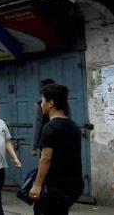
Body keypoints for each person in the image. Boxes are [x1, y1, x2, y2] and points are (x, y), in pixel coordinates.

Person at [29, 83, 83, 215]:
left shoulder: (50, 128)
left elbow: (46, 158)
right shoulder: (73, 126)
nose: (41, 105)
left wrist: (37, 185)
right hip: (74, 184)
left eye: (43, 101)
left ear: (50, 103)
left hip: (56, 186)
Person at [31, 79, 55, 157]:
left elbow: (37, 126)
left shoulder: (39, 104)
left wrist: (34, 147)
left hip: (46, 141)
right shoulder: (63, 103)